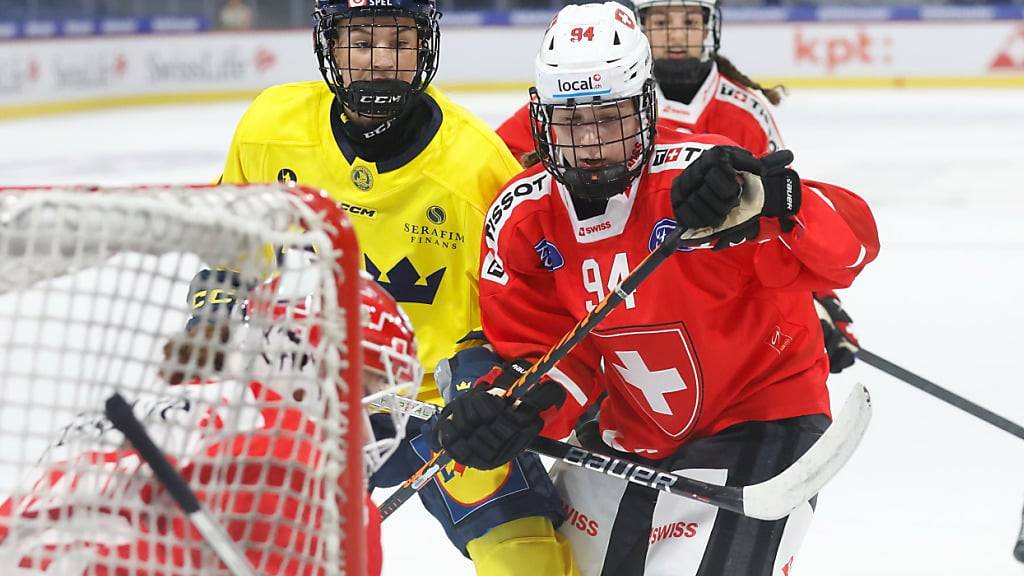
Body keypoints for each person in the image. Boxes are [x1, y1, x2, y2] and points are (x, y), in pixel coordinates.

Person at [433, 3, 879, 575]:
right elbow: (549, 354)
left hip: (762, 414)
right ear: (540, 118)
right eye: (571, 121)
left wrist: (780, 198)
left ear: (646, 106)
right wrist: (512, 410)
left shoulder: (705, 182)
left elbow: (855, 245)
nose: (591, 142)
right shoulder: (522, 219)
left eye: (609, 117)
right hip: (630, 433)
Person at [217, 0, 576, 573]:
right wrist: (214, 312)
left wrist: (494, 391)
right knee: (244, 548)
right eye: (361, 40)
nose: (380, 60)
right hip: (310, 399)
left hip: (437, 406)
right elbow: (229, 244)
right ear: (329, 46)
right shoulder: (269, 131)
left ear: (426, 46)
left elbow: (525, 309)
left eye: (398, 40)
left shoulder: (478, 169)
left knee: (526, 558)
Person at [495, 0, 860, 375]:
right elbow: (506, 172)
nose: (675, 35)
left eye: (688, 21)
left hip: (708, 307)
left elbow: (774, 214)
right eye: (662, 21)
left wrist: (817, 301)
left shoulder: (743, 112)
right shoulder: (573, 102)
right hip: (608, 318)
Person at [0, 270, 421, 576]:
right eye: (364, 385)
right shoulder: (307, 468)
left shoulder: (140, 411)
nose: (366, 417)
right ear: (301, 357)